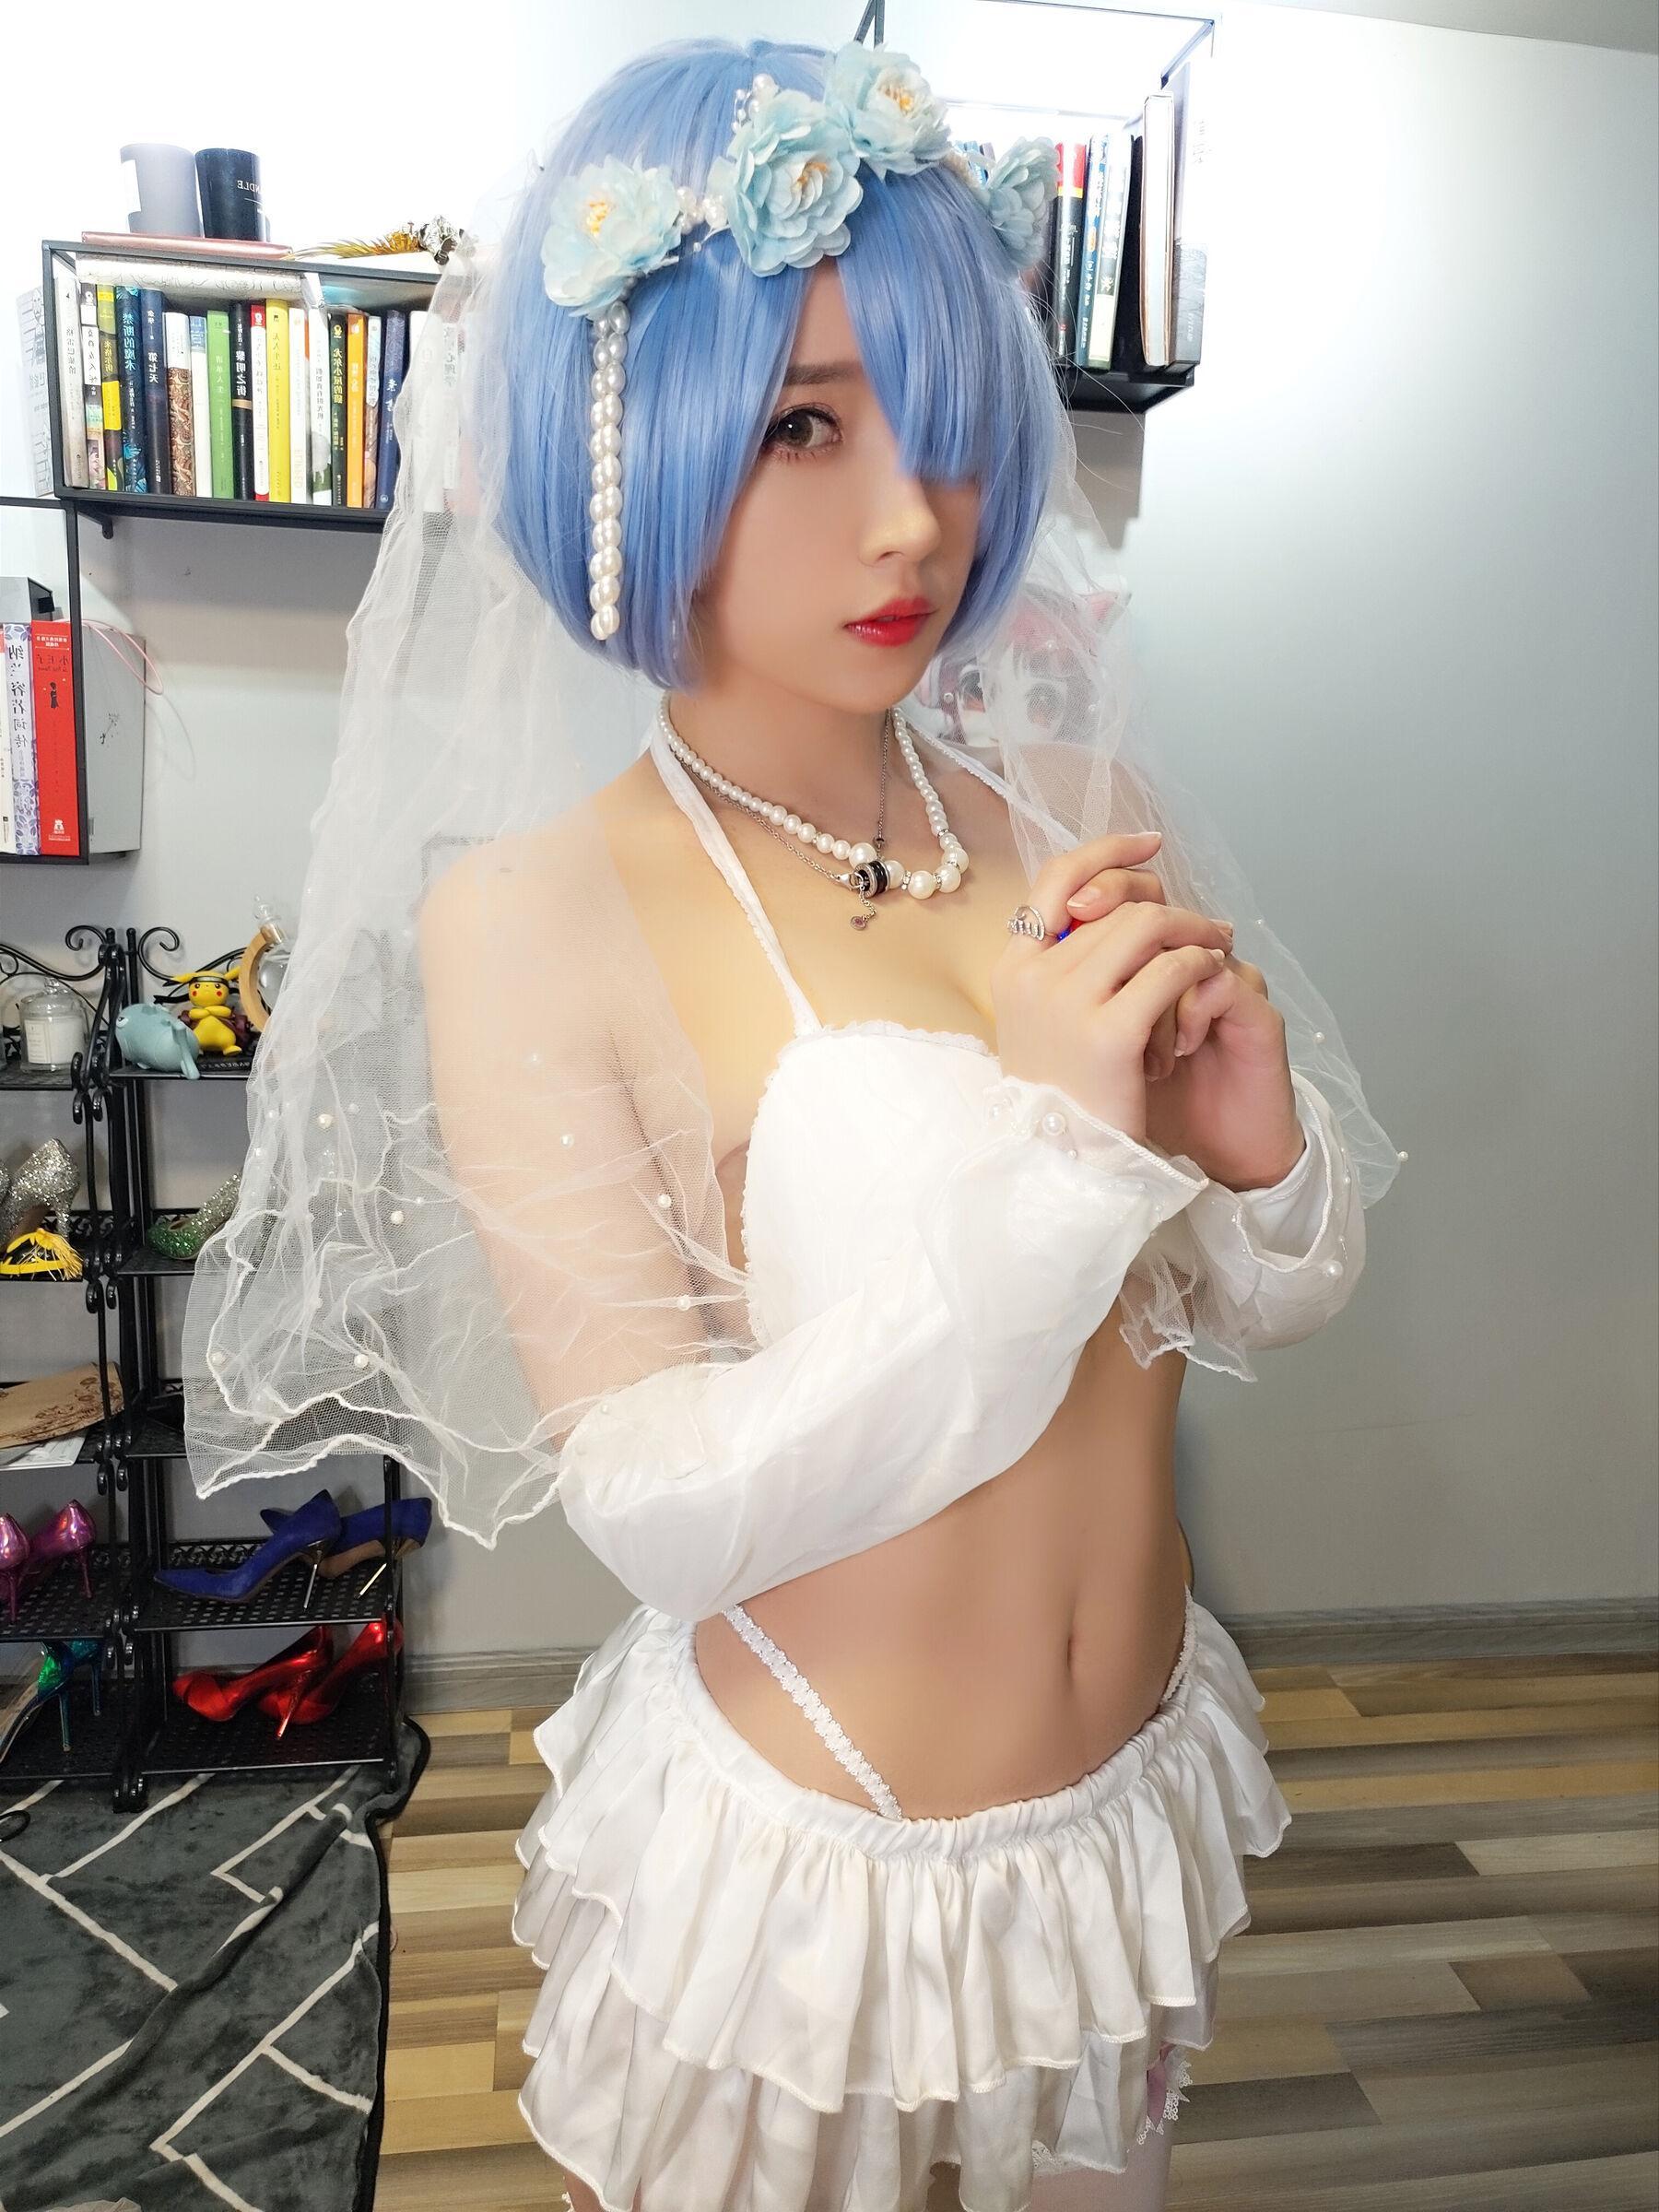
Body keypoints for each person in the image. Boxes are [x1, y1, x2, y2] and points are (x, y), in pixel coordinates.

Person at [181, 31, 1403, 2211]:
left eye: (937, 419)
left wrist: (1251, 1164)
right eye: (801, 426)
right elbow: (659, 1505)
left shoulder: (1076, 812)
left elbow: (1226, 1308)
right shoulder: (534, 915)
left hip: (1127, 1805)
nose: (912, 516)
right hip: (820, 1859)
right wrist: (1054, 1151)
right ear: (622, 450)